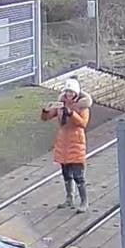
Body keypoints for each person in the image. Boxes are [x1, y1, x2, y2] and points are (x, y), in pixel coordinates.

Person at [40, 77, 92, 213]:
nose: (69, 94)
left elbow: (83, 123)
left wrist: (72, 113)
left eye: (71, 92)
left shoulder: (82, 106)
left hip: (76, 142)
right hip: (63, 143)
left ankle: (84, 201)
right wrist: (46, 110)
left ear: (76, 93)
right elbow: (45, 118)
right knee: (66, 173)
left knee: (78, 175)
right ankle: (69, 198)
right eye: (67, 91)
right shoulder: (61, 104)